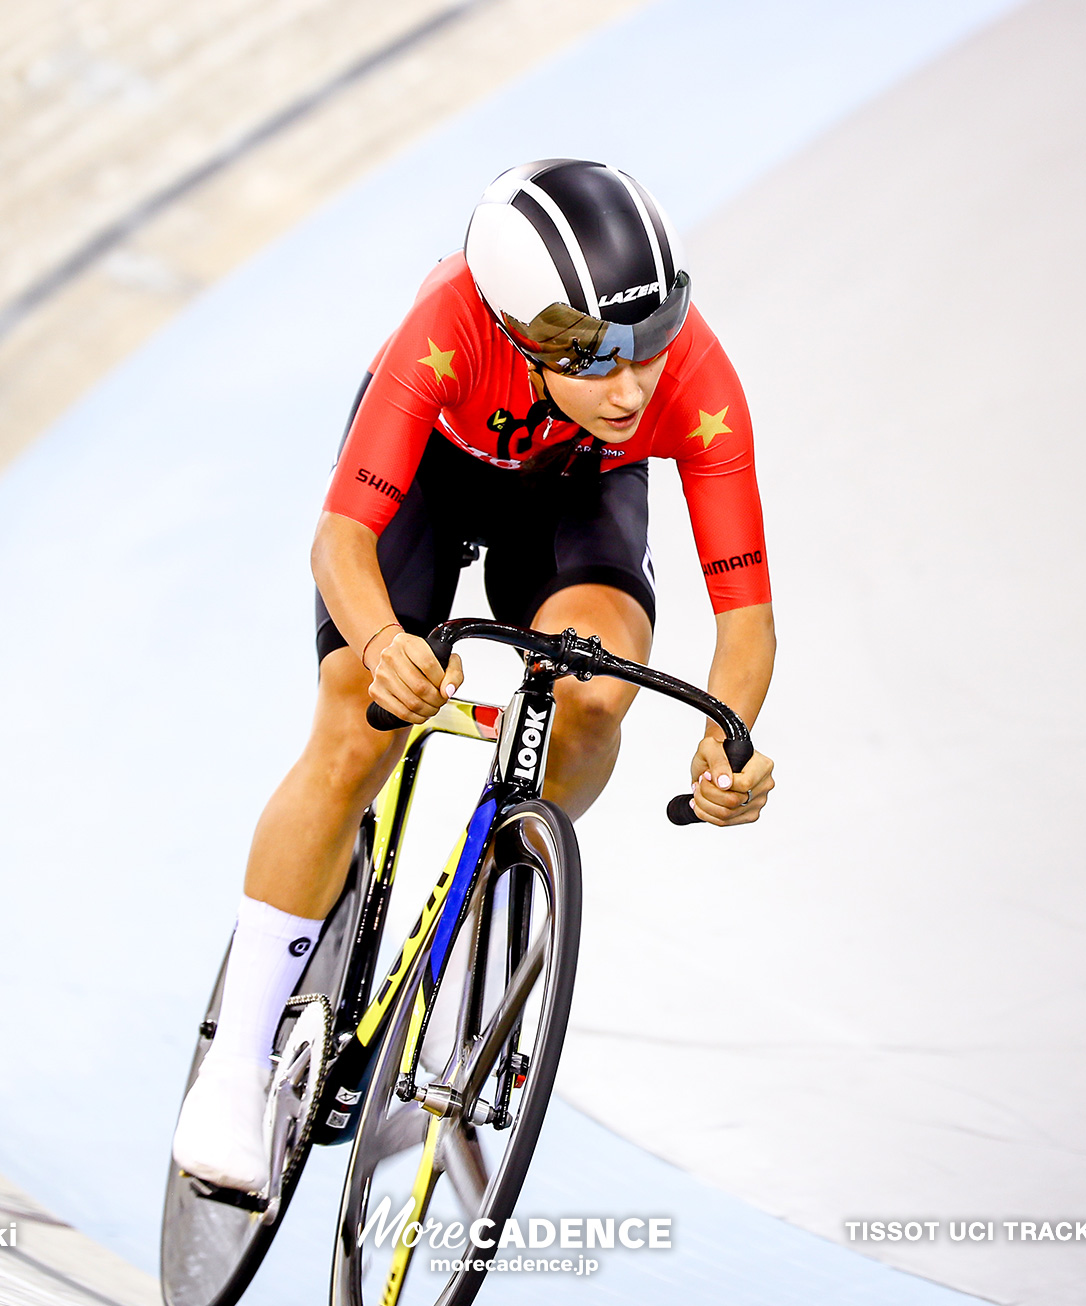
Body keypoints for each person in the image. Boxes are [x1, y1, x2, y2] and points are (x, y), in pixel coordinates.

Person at [171, 159, 777, 1193]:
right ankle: (233, 1069)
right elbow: (340, 542)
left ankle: (499, 884)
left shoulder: (683, 382)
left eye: (650, 344)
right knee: (356, 725)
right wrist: (380, 647)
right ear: (517, 330)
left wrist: (733, 740)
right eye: (595, 358)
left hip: (575, 486)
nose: (633, 386)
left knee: (596, 688)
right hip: (433, 475)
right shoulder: (445, 332)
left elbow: (746, 613)